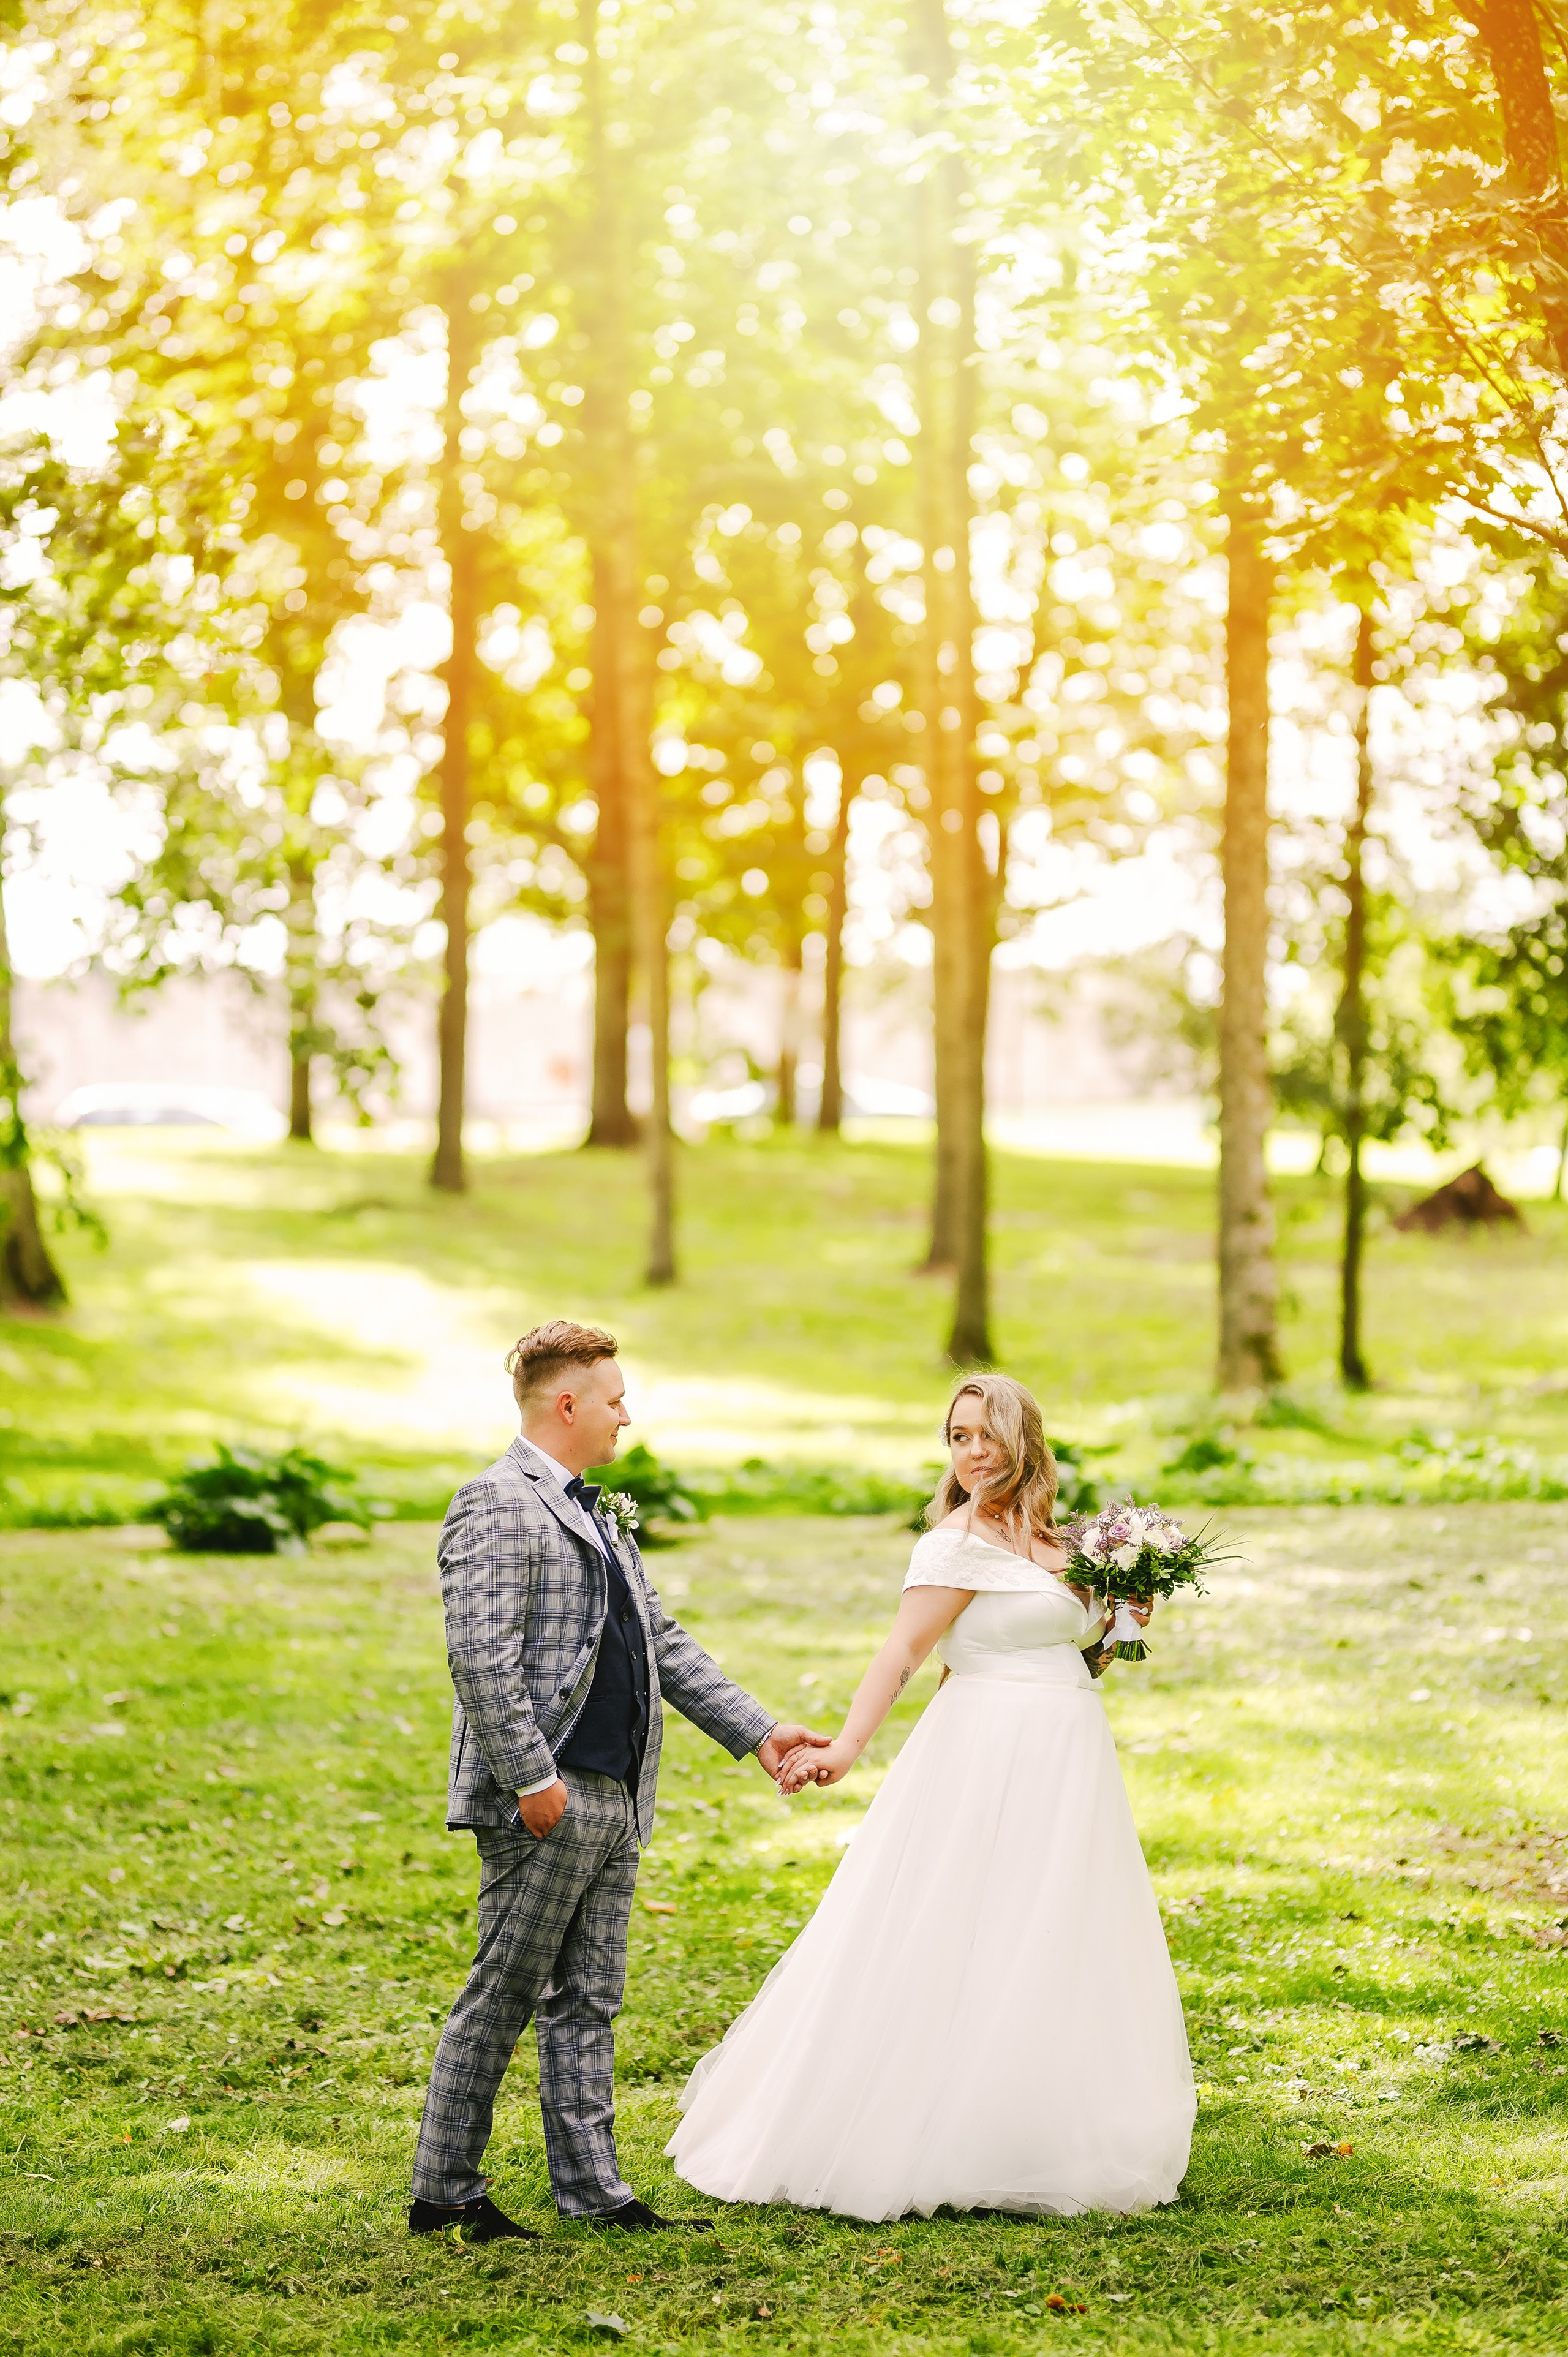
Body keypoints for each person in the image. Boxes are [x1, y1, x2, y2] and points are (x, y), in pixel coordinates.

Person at [666, 1371, 1196, 2222]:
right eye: (958, 1436)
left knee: (1050, 1921)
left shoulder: (1062, 1543)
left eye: (988, 1433)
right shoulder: (955, 1543)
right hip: (986, 1751)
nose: (973, 1451)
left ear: (1025, 1439)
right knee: (965, 1919)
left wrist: (1120, 1623)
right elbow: (904, 1653)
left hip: (1068, 1754)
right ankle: (922, 2124)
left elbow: (1067, 1658)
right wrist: (847, 1746)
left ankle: (1034, 2122)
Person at [409, 1319, 828, 2242]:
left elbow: (659, 1640)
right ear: (568, 1404)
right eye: (615, 1400)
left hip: (615, 1794)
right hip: (547, 1796)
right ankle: (444, 2189)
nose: (626, 1416)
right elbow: (480, 1657)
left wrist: (760, 1733)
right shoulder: (495, 1503)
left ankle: (593, 2191)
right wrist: (531, 1779)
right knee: (504, 1991)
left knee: (590, 2001)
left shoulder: (597, 1511)